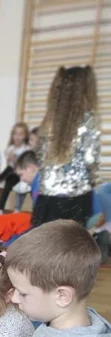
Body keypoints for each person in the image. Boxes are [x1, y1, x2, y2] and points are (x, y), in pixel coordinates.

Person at [32, 66, 100, 227]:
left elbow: (41, 156)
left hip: (47, 196)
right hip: (76, 196)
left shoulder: (49, 121)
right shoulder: (88, 120)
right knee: (70, 245)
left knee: (44, 242)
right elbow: (91, 159)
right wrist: (92, 179)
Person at [0, 122, 31, 214]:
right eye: (15, 134)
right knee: (8, 183)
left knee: (11, 175)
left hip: (22, 174)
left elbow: (26, 164)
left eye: (20, 134)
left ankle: (17, 209)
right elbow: (9, 164)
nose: (17, 137)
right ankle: (0, 208)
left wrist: (15, 161)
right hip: (13, 173)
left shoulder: (27, 149)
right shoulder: (10, 149)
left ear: (25, 136)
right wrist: (11, 158)